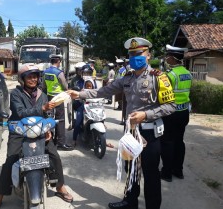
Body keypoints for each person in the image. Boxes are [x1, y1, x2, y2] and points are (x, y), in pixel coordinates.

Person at [67, 37, 176, 209]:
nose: (134, 57)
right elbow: (103, 91)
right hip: (130, 133)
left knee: (150, 174)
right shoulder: (127, 78)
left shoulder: (159, 78)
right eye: (131, 54)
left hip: (149, 134)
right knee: (130, 169)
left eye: (138, 53)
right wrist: (79, 94)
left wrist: (146, 114)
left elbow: (171, 106)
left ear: (149, 55)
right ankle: (130, 202)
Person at [0, 64, 73, 209]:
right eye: (29, 76)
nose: (33, 79)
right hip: (19, 131)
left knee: (54, 155)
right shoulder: (16, 94)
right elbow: (20, 113)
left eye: (35, 76)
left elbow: (48, 116)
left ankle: (59, 187)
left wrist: (48, 130)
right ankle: (0, 195)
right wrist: (42, 108)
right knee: (11, 159)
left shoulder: (43, 94)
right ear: (23, 79)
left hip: (39, 131)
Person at [160, 45, 192, 182]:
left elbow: (162, 94)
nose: (167, 58)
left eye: (168, 56)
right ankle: (178, 171)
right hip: (184, 113)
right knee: (179, 141)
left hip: (171, 113)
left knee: (167, 142)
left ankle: (166, 173)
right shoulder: (188, 73)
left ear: (173, 58)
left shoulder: (170, 75)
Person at [43, 54, 73, 151]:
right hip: (59, 98)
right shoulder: (59, 73)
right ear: (58, 62)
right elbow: (65, 86)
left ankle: (50, 140)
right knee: (60, 119)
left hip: (49, 97)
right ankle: (61, 143)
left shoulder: (45, 72)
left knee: (49, 118)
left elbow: (43, 86)